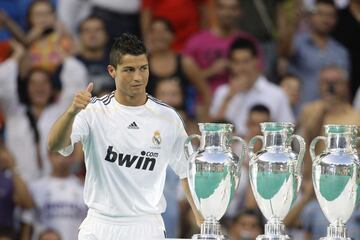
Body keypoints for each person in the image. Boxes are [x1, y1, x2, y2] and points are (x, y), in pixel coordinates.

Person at [47, 33, 202, 239]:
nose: (138, 77)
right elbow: (54, 144)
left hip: (146, 226)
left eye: (143, 68)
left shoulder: (168, 118)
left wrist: (201, 217)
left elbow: (186, 172)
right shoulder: (94, 111)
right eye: (129, 70)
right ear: (112, 71)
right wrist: (71, 111)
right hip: (99, 225)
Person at [210, 37, 294, 137]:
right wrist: (229, 97)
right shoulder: (222, 92)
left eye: (245, 61)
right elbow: (212, 133)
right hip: (229, 149)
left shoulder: (276, 94)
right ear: (231, 64)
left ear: (256, 61)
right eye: (236, 62)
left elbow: (287, 133)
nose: (241, 68)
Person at [21, 151, 87, 240]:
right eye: (57, 154)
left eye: (66, 154)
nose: (62, 160)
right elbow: (27, 224)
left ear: (73, 157)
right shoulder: (35, 188)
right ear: (49, 155)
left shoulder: (84, 189)